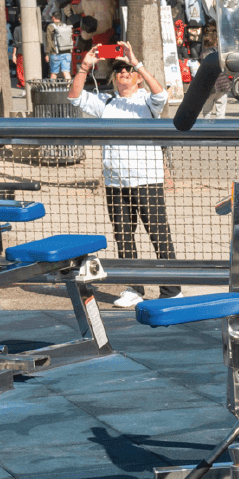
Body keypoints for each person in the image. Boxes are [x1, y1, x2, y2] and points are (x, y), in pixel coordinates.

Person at [68, 40, 179, 304]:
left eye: (127, 71)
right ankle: (134, 288)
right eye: (118, 71)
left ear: (138, 78)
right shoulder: (106, 102)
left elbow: (162, 95)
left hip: (147, 180)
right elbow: (74, 97)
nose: (123, 74)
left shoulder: (147, 103)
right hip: (115, 182)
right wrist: (84, 66)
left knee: (159, 236)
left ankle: (172, 290)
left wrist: (135, 61)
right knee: (124, 237)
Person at [46, 15, 74, 83]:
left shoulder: (50, 27)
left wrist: (47, 54)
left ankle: (53, 88)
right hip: (67, 52)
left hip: (55, 53)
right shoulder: (66, 26)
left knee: (54, 73)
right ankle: (69, 88)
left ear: (53, 17)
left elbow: (49, 41)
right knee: (66, 72)